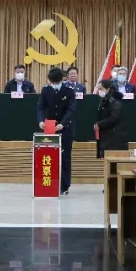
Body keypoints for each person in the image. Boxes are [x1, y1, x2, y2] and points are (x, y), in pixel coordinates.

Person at [38, 67, 77, 195]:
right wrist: (41, 120)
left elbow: (71, 109)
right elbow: (40, 107)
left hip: (66, 128)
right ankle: (50, 183)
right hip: (50, 128)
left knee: (65, 157)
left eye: (56, 82)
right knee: (49, 156)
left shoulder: (69, 90)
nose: (54, 84)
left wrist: (63, 123)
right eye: (52, 82)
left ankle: (65, 186)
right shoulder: (45, 90)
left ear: (61, 79)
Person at [94, 79, 127, 158]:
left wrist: (99, 124)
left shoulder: (114, 102)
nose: (99, 91)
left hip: (113, 138)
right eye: (98, 89)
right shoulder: (105, 100)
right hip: (106, 137)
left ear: (108, 89)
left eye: (101, 89)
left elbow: (114, 118)